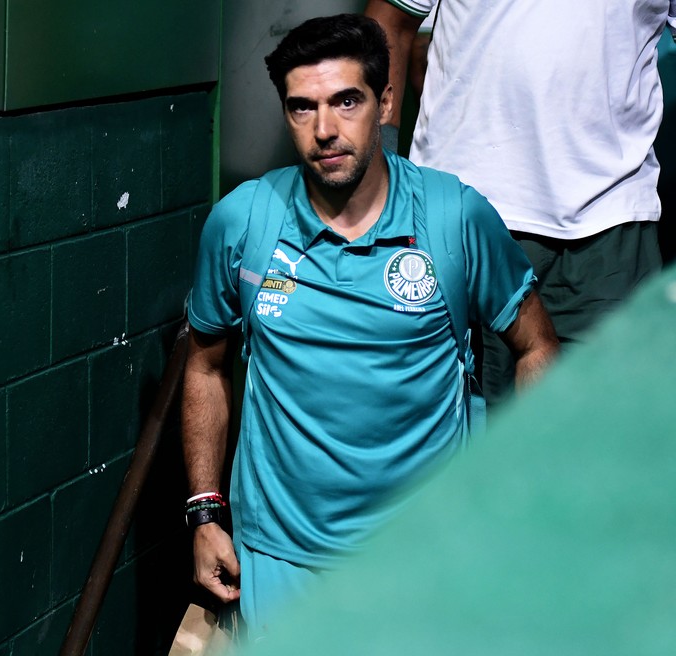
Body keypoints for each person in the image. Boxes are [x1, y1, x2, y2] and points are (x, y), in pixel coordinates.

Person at [181, 13, 559, 641]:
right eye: (302, 109)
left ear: (386, 102)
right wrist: (203, 514)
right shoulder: (243, 222)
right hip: (281, 562)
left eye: (345, 101)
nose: (324, 129)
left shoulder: (453, 216)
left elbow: (536, 345)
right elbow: (205, 366)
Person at [365, 0, 676, 404]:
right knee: (463, 442)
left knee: (610, 433)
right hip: (464, 215)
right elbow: (391, 20)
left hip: (614, 223)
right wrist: (377, 178)